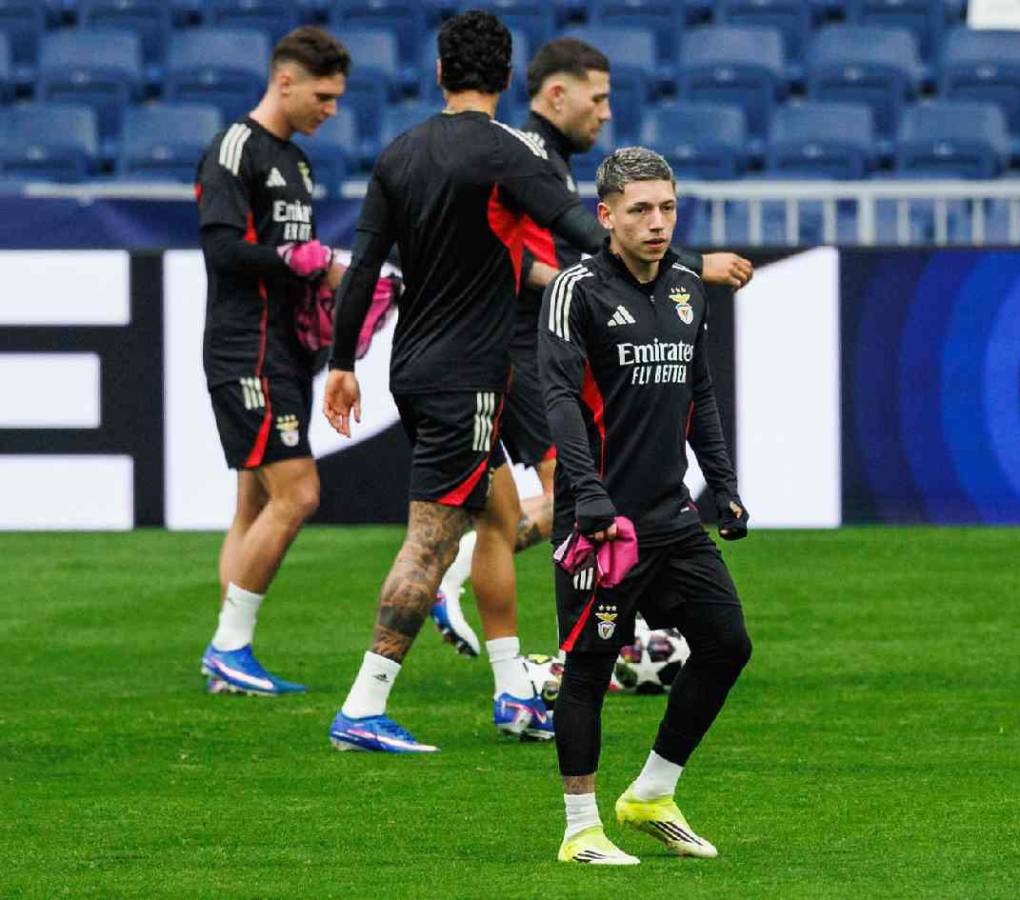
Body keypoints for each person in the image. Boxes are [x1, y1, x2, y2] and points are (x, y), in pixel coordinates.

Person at [322, 11, 625, 751]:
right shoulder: (507, 153)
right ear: (510, 79)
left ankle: (512, 694)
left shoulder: (399, 152)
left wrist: (339, 364)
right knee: (431, 541)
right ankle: (363, 705)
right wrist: (653, 267)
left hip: (410, 370)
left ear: (438, 74)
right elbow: (580, 230)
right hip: (471, 378)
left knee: (492, 520)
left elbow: (362, 269)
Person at [430, 37, 754, 660]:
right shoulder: (523, 154)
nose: (605, 112)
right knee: (580, 488)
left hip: (529, 340)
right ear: (557, 93)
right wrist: (688, 264)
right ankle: (575, 637)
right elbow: (505, 250)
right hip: (525, 344)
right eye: (597, 97)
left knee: (575, 490)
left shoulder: (544, 155)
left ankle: (589, 623)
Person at [539, 147, 753, 864]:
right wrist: (588, 495)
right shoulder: (575, 290)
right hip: (604, 526)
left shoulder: (690, 288)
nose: (657, 223)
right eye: (639, 210)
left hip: (670, 518)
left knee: (727, 643)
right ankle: (580, 830)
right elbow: (561, 399)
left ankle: (653, 792)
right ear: (606, 216)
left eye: (666, 208)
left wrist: (721, 484)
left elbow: (700, 395)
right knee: (591, 672)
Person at [196, 27, 350, 696]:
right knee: (300, 493)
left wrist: (323, 286)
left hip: (282, 346)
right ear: (284, 81)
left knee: (253, 501)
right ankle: (228, 648)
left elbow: (297, 259)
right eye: (323, 95)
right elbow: (223, 249)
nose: (332, 110)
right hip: (245, 347)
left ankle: (230, 659)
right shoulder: (236, 149)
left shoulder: (299, 163)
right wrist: (300, 261)